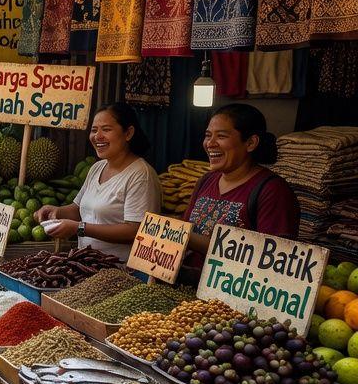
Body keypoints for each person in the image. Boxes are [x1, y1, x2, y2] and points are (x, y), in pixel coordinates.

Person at [34, 103, 162, 261]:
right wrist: (56, 212)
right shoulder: (97, 168)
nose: (98, 136)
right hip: (86, 264)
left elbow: (135, 231)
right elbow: (79, 209)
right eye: (94, 130)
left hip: (120, 270)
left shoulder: (141, 175)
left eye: (106, 129)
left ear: (128, 133)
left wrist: (80, 228)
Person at [182, 103, 300, 268]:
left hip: (231, 290)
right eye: (208, 135)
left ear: (251, 143)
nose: (210, 143)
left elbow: (271, 259)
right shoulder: (206, 180)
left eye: (221, 136)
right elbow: (186, 227)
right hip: (188, 285)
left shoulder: (273, 191)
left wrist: (186, 237)